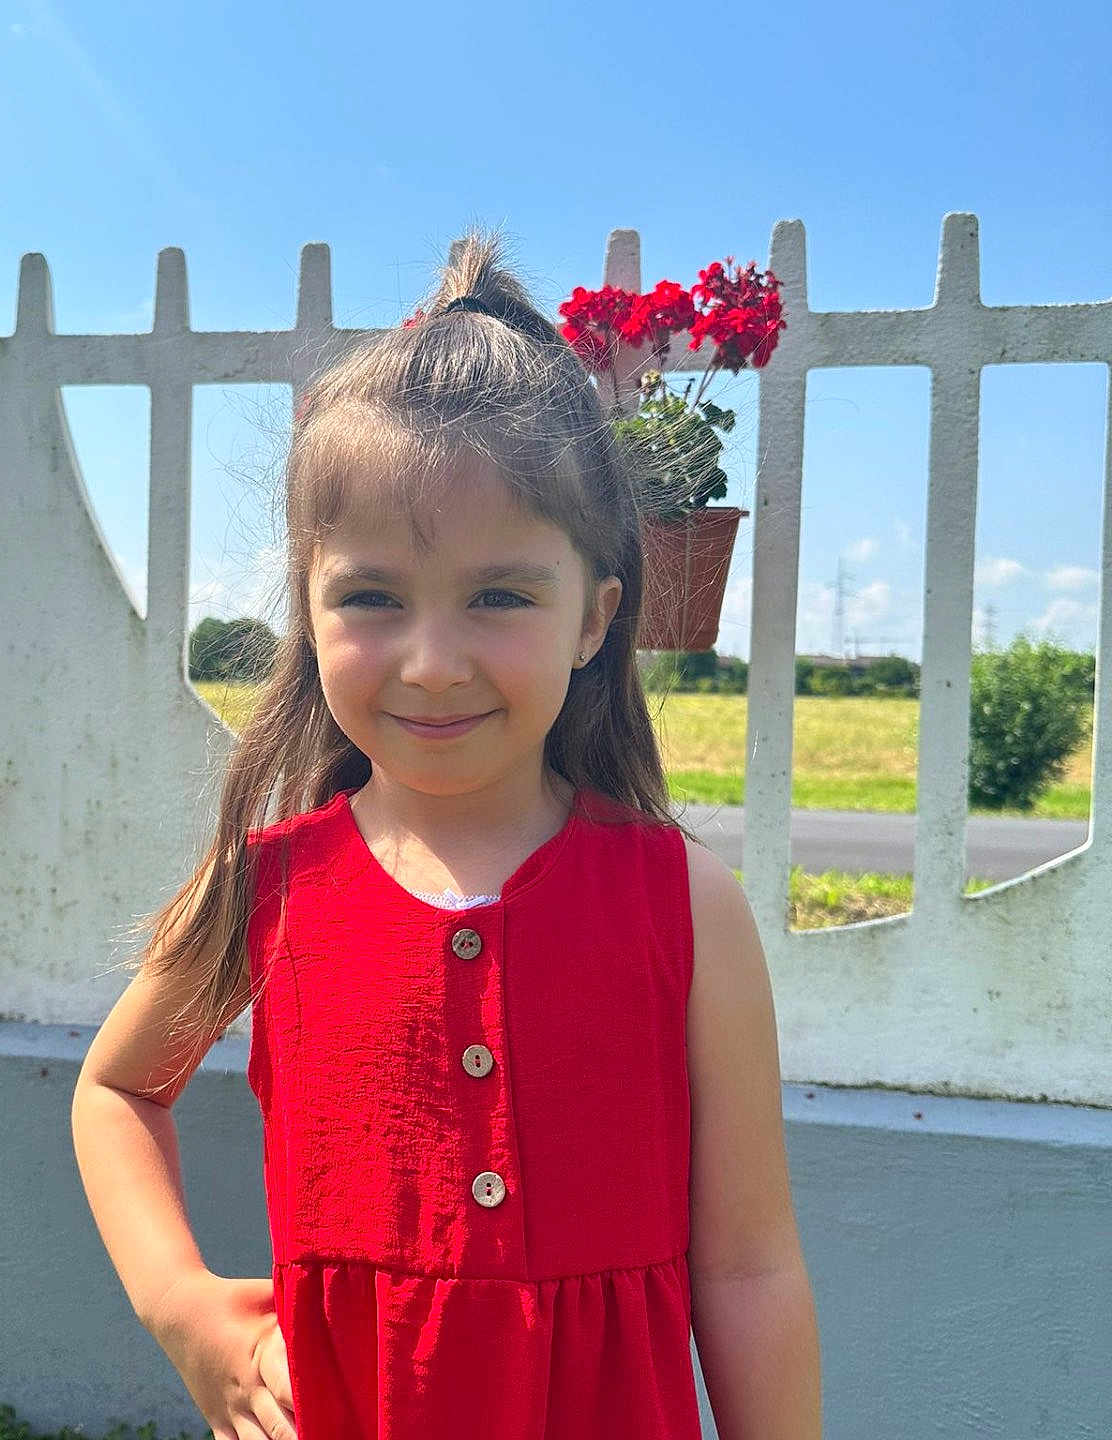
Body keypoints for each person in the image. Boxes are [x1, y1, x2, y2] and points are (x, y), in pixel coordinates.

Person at [70, 226, 823, 1440]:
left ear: (596, 619)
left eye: (500, 595)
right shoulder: (269, 890)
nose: (431, 663)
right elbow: (114, 1090)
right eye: (371, 596)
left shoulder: (683, 905)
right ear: (308, 611)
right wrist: (185, 1309)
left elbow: (748, 1270)